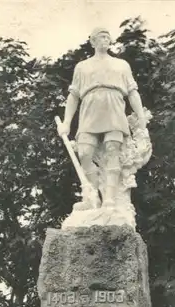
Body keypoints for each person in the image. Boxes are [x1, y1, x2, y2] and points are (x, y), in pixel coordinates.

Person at [57, 27, 147, 210]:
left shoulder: (121, 65)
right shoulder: (82, 67)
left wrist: (141, 117)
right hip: (90, 108)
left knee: (113, 149)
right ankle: (93, 197)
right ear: (93, 41)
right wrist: (67, 122)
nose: (105, 40)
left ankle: (110, 199)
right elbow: (73, 95)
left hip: (114, 106)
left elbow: (132, 92)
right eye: (101, 37)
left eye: (108, 37)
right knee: (84, 152)